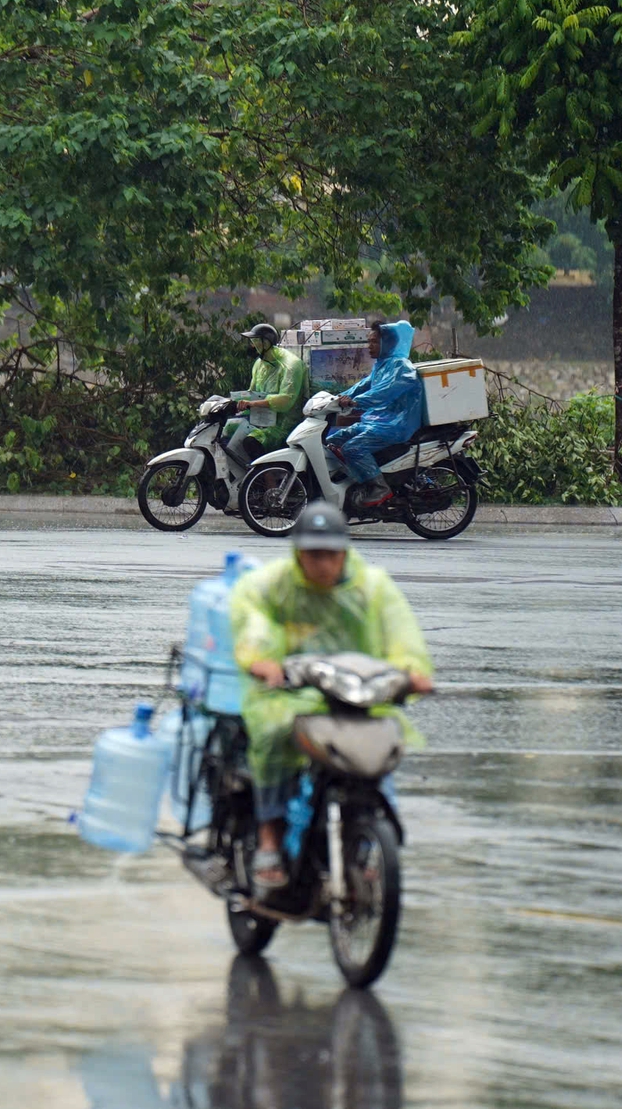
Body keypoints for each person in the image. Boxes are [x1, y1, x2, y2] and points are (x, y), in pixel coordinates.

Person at [230, 503, 434, 890]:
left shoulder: (372, 586)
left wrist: (411, 670)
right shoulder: (275, 584)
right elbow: (252, 617)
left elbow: (401, 630)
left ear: (344, 552)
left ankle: (369, 837)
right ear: (298, 554)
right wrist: (261, 660)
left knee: (379, 752)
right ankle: (269, 836)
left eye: (330, 554)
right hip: (292, 690)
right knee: (274, 733)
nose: (322, 564)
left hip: (356, 692)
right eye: (312, 555)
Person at [326, 320, 423, 508]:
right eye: (369, 341)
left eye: (374, 342)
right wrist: (339, 397)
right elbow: (363, 385)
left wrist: (357, 402)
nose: (369, 346)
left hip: (395, 424)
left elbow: (385, 391)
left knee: (352, 448)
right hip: (376, 421)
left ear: (387, 343)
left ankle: (379, 487)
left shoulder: (402, 367)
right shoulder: (382, 364)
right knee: (333, 441)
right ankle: (354, 482)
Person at [226, 324, 309, 462]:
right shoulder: (260, 363)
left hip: (282, 424)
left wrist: (252, 403)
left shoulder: (291, 365)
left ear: (266, 343)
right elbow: (251, 392)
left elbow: (286, 401)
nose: (252, 346)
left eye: (255, 341)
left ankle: (267, 481)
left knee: (252, 441)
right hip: (260, 418)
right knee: (227, 429)